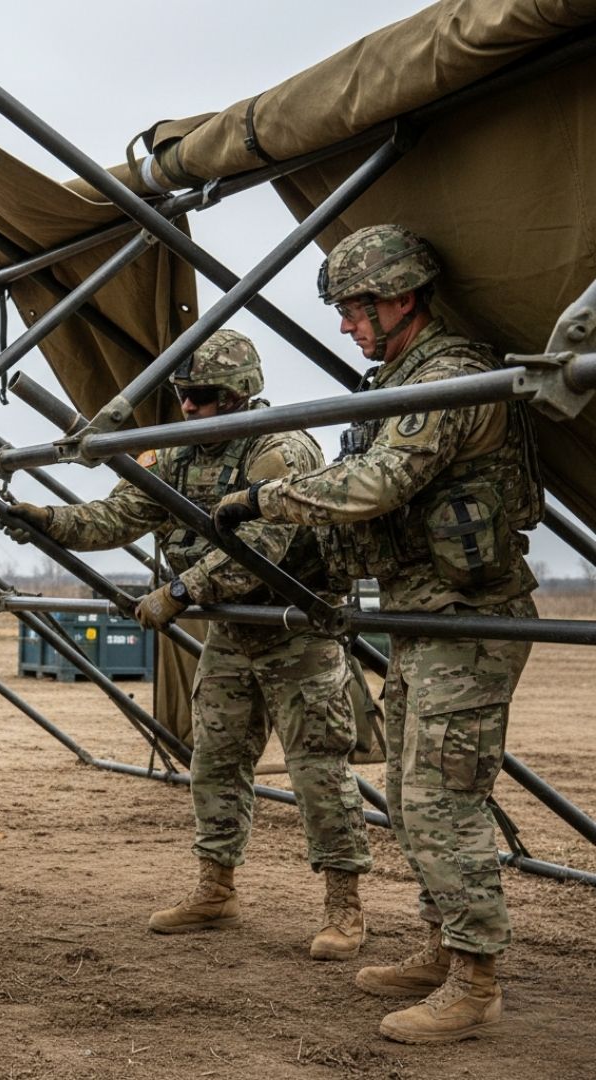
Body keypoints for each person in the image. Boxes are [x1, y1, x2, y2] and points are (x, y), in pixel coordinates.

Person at [214, 224, 542, 1043]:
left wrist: (267, 499)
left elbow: (376, 482)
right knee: (405, 790)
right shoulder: (405, 378)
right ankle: (440, 945)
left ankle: (476, 979)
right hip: (422, 619)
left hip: (469, 622)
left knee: (440, 800)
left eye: (355, 308)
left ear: (400, 298)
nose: (345, 325)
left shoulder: (452, 380)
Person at [0, 330, 372, 959]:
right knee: (216, 761)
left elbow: (261, 552)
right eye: (182, 396)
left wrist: (179, 590)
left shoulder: (280, 451)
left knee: (317, 772)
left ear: (238, 395)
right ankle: (216, 888)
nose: (188, 408)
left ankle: (345, 907)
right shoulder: (179, 454)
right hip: (232, 633)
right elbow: (118, 516)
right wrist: (50, 523)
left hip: (295, 632)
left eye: (201, 397)